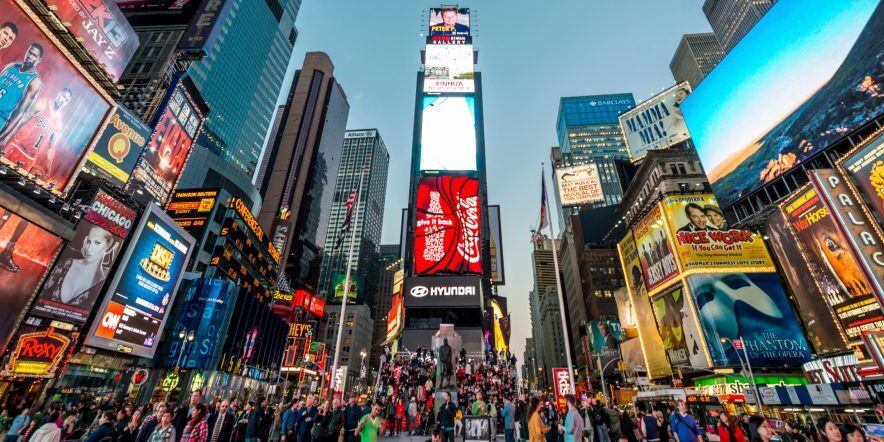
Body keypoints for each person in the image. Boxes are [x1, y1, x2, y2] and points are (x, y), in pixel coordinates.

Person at [3, 88, 72, 182]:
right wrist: (7, 136)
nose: (63, 100)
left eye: (67, 100)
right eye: (63, 96)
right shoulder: (43, 103)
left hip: (31, 156)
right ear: (58, 93)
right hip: (18, 145)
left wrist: (48, 168)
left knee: (12, 182)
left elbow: (51, 147)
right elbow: (22, 119)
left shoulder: (58, 124)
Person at [0, 43, 43, 143]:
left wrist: (2, 137)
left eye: (34, 55)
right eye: (29, 52)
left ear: (38, 60)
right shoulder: (12, 66)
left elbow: (20, 113)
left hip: (1, 118)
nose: (29, 56)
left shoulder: (34, 82)